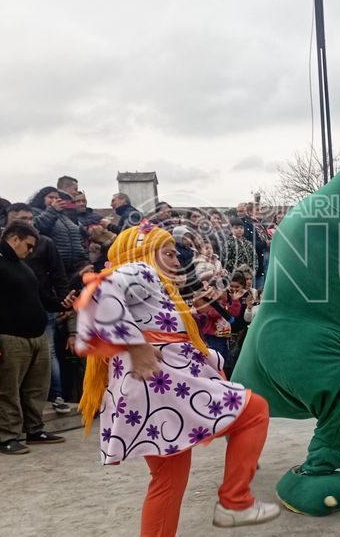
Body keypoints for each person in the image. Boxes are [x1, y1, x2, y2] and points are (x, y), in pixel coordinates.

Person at [72, 221, 280, 533]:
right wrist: (137, 345)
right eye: (168, 253)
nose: (177, 260)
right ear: (142, 251)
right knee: (254, 412)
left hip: (152, 392)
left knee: (168, 481)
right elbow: (99, 291)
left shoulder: (155, 287)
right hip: (159, 389)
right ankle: (235, 501)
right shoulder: (139, 271)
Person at [0, 221, 76, 454]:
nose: (30, 251)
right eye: (28, 246)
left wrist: (60, 304)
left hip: (36, 336)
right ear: (14, 238)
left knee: (36, 389)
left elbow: (39, 297)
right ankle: (8, 437)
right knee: (6, 390)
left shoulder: (21, 266)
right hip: (8, 338)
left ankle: (34, 429)